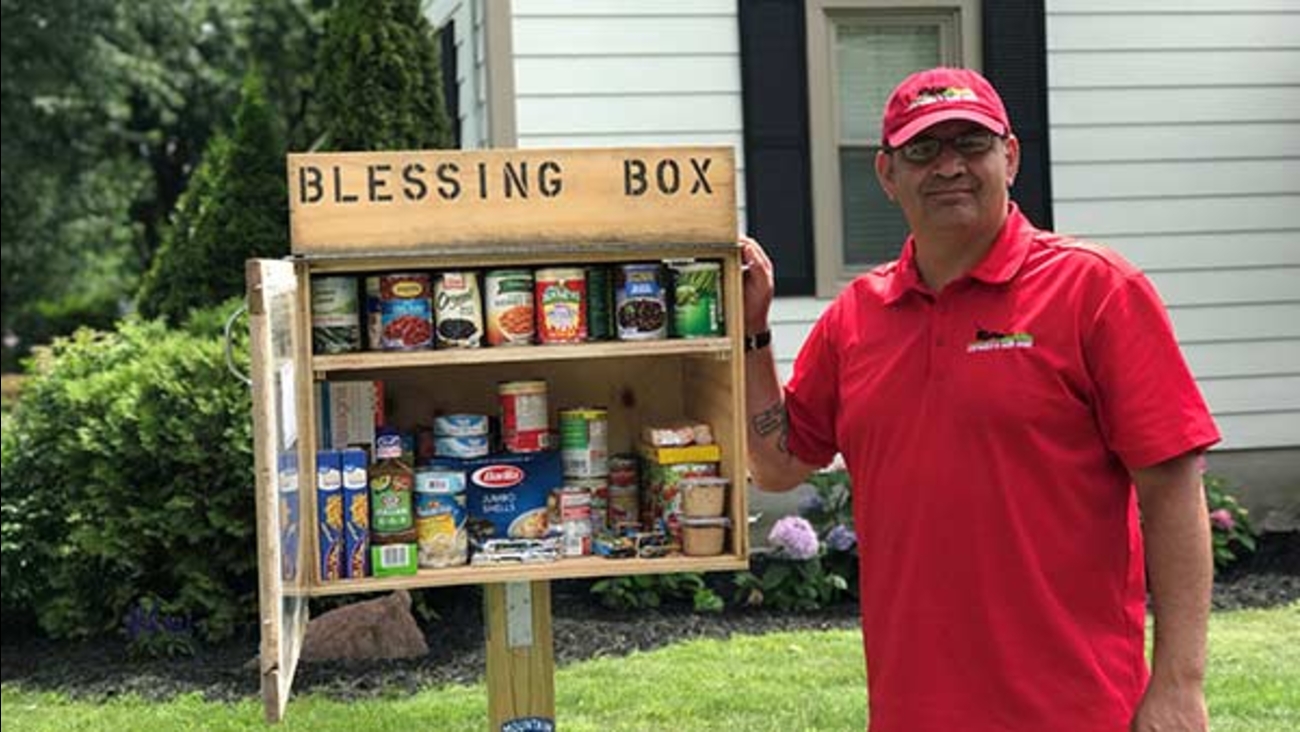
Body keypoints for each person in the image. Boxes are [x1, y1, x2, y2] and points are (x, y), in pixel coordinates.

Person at [741, 67, 1219, 732]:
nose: (949, 167)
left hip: (1077, 709)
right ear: (886, 174)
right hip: (912, 712)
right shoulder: (856, 317)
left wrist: (1178, 683)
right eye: (922, 150)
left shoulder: (1097, 292)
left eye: (971, 143)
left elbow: (1172, 486)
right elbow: (778, 464)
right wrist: (750, 333)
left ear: (1010, 156)